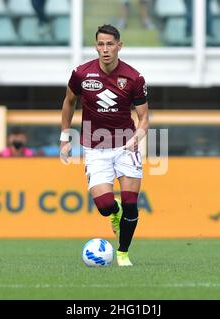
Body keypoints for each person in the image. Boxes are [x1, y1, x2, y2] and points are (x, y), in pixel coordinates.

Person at [60, 24, 149, 267]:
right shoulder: (81, 74)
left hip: (125, 146)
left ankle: (122, 253)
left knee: (131, 204)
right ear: (96, 46)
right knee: (104, 206)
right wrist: (64, 137)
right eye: (101, 44)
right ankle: (114, 212)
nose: (105, 49)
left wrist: (136, 138)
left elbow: (144, 119)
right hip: (94, 147)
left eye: (110, 44)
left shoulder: (134, 78)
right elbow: (69, 102)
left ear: (119, 46)